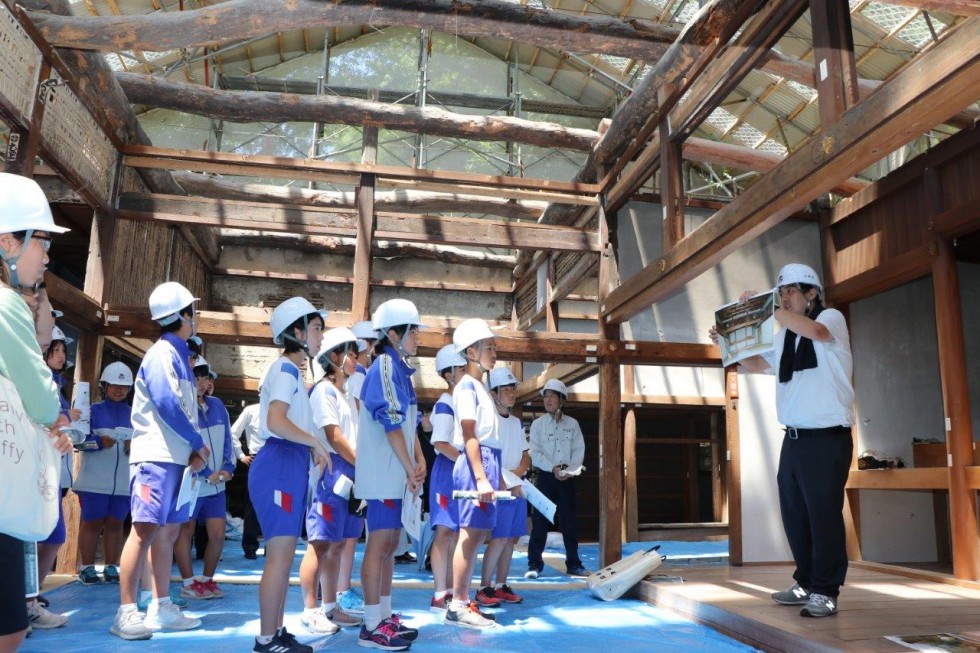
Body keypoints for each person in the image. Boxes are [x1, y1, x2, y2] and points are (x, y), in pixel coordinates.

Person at [709, 263, 854, 618]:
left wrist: (767, 309)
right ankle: (805, 581)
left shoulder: (830, 318)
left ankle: (826, 589)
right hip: (793, 438)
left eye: (789, 292)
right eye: (781, 293)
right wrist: (729, 339)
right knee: (795, 514)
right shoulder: (784, 335)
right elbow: (757, 365)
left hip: (827, 438)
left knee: (823, 515)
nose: (784, 299)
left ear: (812, 293)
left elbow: (817, 332)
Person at [110, 281, 208, 640]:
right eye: (192, 312)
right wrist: (198, 443)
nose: (195, 318)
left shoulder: (178, 354)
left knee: (166, 532)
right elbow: (168, 404)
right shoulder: (161, 354)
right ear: (183, 316)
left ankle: (161, 606)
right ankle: (125, 611)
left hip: (174, 459)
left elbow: (180, 408)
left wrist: (193, 452)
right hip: (154, 457)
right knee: (143, 531)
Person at [0, 172, 73, 653]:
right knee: (10, 629)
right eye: (39, 241)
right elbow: (44, 401)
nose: (45, 255)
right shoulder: (5, 304)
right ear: (6, 240)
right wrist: (57, 421)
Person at [248, 297, 331, 653]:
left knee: (284, 556)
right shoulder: (284, 370)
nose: (320, 337)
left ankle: (276, 632)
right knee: (279, 556)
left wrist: (311, 446)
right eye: (315, 329)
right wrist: (315, 442)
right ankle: (267, 638)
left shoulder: (293, 373)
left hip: (289, 463)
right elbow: (275, 421)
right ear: (296, 332)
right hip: (279, 463)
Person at [355, 299, 425, 651]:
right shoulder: (384, 364)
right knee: (380, 545)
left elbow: (408, 424)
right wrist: (409, 466)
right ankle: (370, 626)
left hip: (397, 474)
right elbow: (390, 421)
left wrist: (419, 459)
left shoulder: (401, 370)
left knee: (391, 546)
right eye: (413, 331)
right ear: (394, 334)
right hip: (384, 474)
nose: (417, 338)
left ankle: (383, 615)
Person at [298, 327, 364, 636]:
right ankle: (310, 610)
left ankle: (329, 607)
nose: (354, 359)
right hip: (332, 473)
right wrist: (362, 464)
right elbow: (333, 436)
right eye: (349, 353)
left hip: (352, 474)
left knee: (337, 545)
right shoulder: (323, 391)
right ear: (333, 357)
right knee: (320, 544)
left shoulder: (348, 395)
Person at [446, 318, 500, 629]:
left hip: (488, 462)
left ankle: (464, 600)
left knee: (477, 535)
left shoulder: (481, 386)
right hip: (474, 464)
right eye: (488, 347)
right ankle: (457, 604)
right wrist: (480, 476)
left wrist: (498, 477)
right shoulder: (466, 386)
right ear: (470, 352)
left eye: (494, 346)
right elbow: (469, 433)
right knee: (468, 535)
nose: (494, 352)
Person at [29, 324, 80, 628]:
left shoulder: (56, 385)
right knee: (42, 537)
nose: (60, 355)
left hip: (54, 475)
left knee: (51, 536)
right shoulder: (35, 380)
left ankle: (29, 596)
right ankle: (26, 599)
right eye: (55, 349)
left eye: (63, 350)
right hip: (36, 474)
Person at [175, 357, 235, 601]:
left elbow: (229, 441)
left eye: (205, 378)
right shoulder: (182, 407)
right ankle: (189, 582)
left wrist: (228, 468)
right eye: (196, 378)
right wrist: (201, 472)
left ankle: (207, 579)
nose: (201, 383)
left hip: (217, 485)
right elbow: (181, 447)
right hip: (191, 484)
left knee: (218, 535)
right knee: (185, 530)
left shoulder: (218, 406)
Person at [75, 361, 135, 586]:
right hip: (93, 481)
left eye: (124, 387)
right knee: (92, 522)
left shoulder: (135, 415)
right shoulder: (92, 412)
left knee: (116, 524)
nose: (119, 390)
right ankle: (86, 568)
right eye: (114, 385)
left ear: (129, 390)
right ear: (104, 386)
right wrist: (98, 442)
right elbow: (77, 442)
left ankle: (112, 566)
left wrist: (134, 446)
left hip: (123, 482)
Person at [526, 379, 589, 578]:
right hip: (545, 478)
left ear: (562, 399)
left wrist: (570, 471)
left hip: (568, 478)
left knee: (569, 522)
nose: (548, 399)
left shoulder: (573, 424)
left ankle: (574, 563)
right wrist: (552, 468)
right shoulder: (537, 425)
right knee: (540, 521)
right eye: (545, 396)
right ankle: (534, 564)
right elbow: (535, 453)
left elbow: (579, 451)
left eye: (553, 395)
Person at [477, 367, 529, 607]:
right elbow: (485, 457)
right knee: (498, 538)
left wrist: (516, 476)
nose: (511, 393)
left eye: (513, 389)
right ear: (494, 393)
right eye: (506, 389)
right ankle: (484, 587)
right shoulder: (489, 421)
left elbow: (526, 455)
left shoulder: (517, 422)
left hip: (517, 486)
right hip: (500, 488)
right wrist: (508, 483)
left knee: (510, 539)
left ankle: (500, 585)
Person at [426, 345, 465, 613]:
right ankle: (440, 593)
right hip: (446, 471)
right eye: (462, 369)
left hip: (458, 471)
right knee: (444, 531)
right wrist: (466, 462)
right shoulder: (445, 403)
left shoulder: (461, 402)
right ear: (449, 374)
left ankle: (450, 590)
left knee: (454, 533)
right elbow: (440, 442)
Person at [231, 402, 263, 559]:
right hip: (256, 457)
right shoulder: (251, 410)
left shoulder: (285, 407)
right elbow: (232, 433)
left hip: (279, 457)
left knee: (278, 503)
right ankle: (250, 546)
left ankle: (274, 546)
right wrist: (240, 455)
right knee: (253, 504)